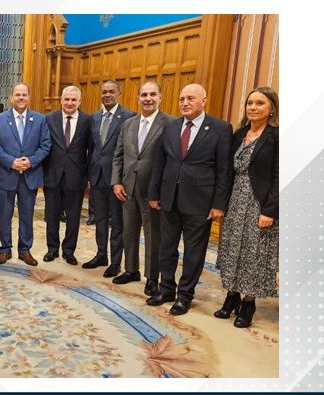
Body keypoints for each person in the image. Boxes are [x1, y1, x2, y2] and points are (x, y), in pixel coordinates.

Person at [148, 83, 233, 315]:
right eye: (182, 99)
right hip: (169, 199)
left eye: (191, 98)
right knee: (166, 247)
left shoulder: (220, 128)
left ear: (204, 101)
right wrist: (154, 194)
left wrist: (219, 204)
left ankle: (185, 295)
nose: (185, 103)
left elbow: (224, 170)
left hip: (200, 202)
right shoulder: (170, 127)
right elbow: (160, 162)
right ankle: (166, 289)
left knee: (194, 252)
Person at [215, 87, 279, 328]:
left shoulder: (277, 137)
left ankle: (249, 302)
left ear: (271, 108)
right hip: (235, 202)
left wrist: (270, 211)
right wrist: (221, 204)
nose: (253, 107)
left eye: (260, 103)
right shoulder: (239, 134)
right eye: (250, 102)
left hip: (259, 204)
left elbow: (280, 177)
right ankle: (232, 295)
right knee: (232, 250)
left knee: (254, 254)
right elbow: (227, 172)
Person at [110, 81, 173, 295]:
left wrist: (161, 190)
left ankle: (152, 277)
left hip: (152, 191)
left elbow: (170, 160)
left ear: (160, 97)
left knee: (153, 235)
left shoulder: (170, 124)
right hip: (127, 188)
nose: (148, 99)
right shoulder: (128, 124)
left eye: (152, 94)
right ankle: (131, 270)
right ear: (138, 98)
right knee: (129, 231)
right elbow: (118, 155)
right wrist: (116, 181)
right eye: (144, 95)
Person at [0, 82, 51, 266]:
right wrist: (11, 162)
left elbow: (45, 145)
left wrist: (30, 161)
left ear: (29, 97)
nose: (21, 97)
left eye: (24, 94)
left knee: (26, 216)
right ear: (11, 98)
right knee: (4, 216)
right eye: (18, 94)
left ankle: (25, 250)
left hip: (29, 176)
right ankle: (5, 250)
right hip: (6, 175)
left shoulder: (40, 120)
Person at [84, 80, 135, 277]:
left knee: (117, 223)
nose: (107, 95)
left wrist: (120, 179)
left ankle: (115, 262)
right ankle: (101, 255)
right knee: (100, 220)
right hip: (97, 178)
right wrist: (90, 175)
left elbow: (128, 152)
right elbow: (92, 149)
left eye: (111, 92)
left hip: (117, 181)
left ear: (119, 93)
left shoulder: (128, 117)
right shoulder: (94, 118)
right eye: (104, 92)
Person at [43, 85, 91, 265]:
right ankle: (52, 249)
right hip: (53, 175)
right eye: (67, 99)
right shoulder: (49, 119)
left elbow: (91, 149)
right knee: (52, 215)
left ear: (79, 101)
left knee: (73, 217)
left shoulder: (87, 120)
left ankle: (69, 251)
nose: (70, 103)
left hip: (76, 176)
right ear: (61, 100)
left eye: (73, 100)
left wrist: (88, 176)